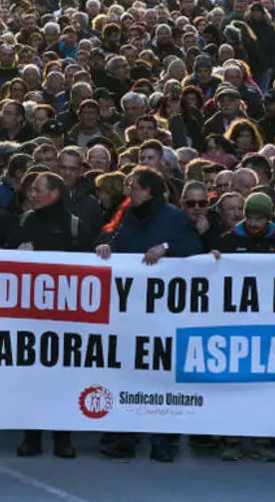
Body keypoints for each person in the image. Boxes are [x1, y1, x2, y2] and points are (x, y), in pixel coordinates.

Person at [95, 166, 200, 463]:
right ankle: (123, 438)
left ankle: (164, 441)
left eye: (136, 187)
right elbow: (113, 239)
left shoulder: (174, 217)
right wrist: (104, 246)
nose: (130, 191)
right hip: (129, 312)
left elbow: (193, 249)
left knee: (162, 378)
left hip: (164, 314)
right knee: (127, 375)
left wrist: (166, 248)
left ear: (150, 191)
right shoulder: (127, 214)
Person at [11, 172, 91, 459]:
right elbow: (4, 267)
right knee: (31, 380)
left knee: (63, 380)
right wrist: (16, 254)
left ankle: (62, 437)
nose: (30, 193)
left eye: (37, 189)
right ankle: (31, 436)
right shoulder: (23, 222)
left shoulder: (75, 227)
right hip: (30, 318)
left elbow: (88, 274)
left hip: (64, 320)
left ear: (54, 194)